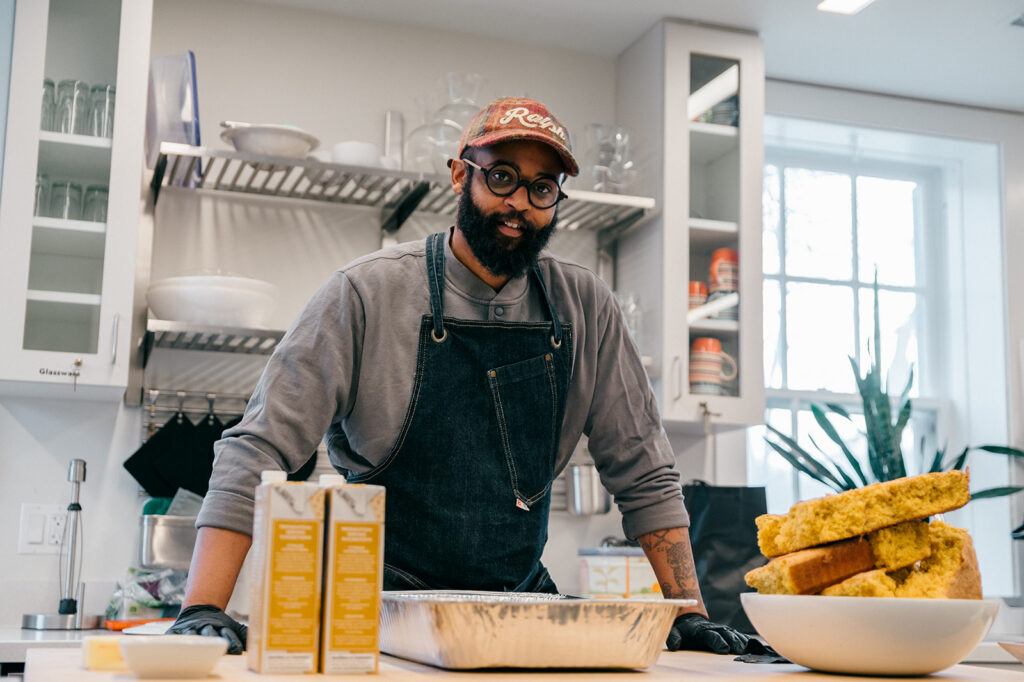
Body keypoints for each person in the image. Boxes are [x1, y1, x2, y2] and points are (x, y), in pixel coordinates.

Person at [168, 96, 758, 657]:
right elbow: (259, 448)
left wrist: (689, 612)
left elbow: (644, 471)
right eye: (501, 177)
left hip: (519, 612)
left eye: (542, 188)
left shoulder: (586, 306)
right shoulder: (366, 292)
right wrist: (202, 607)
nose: (519, 203)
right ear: (460, 176)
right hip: (375, 616)